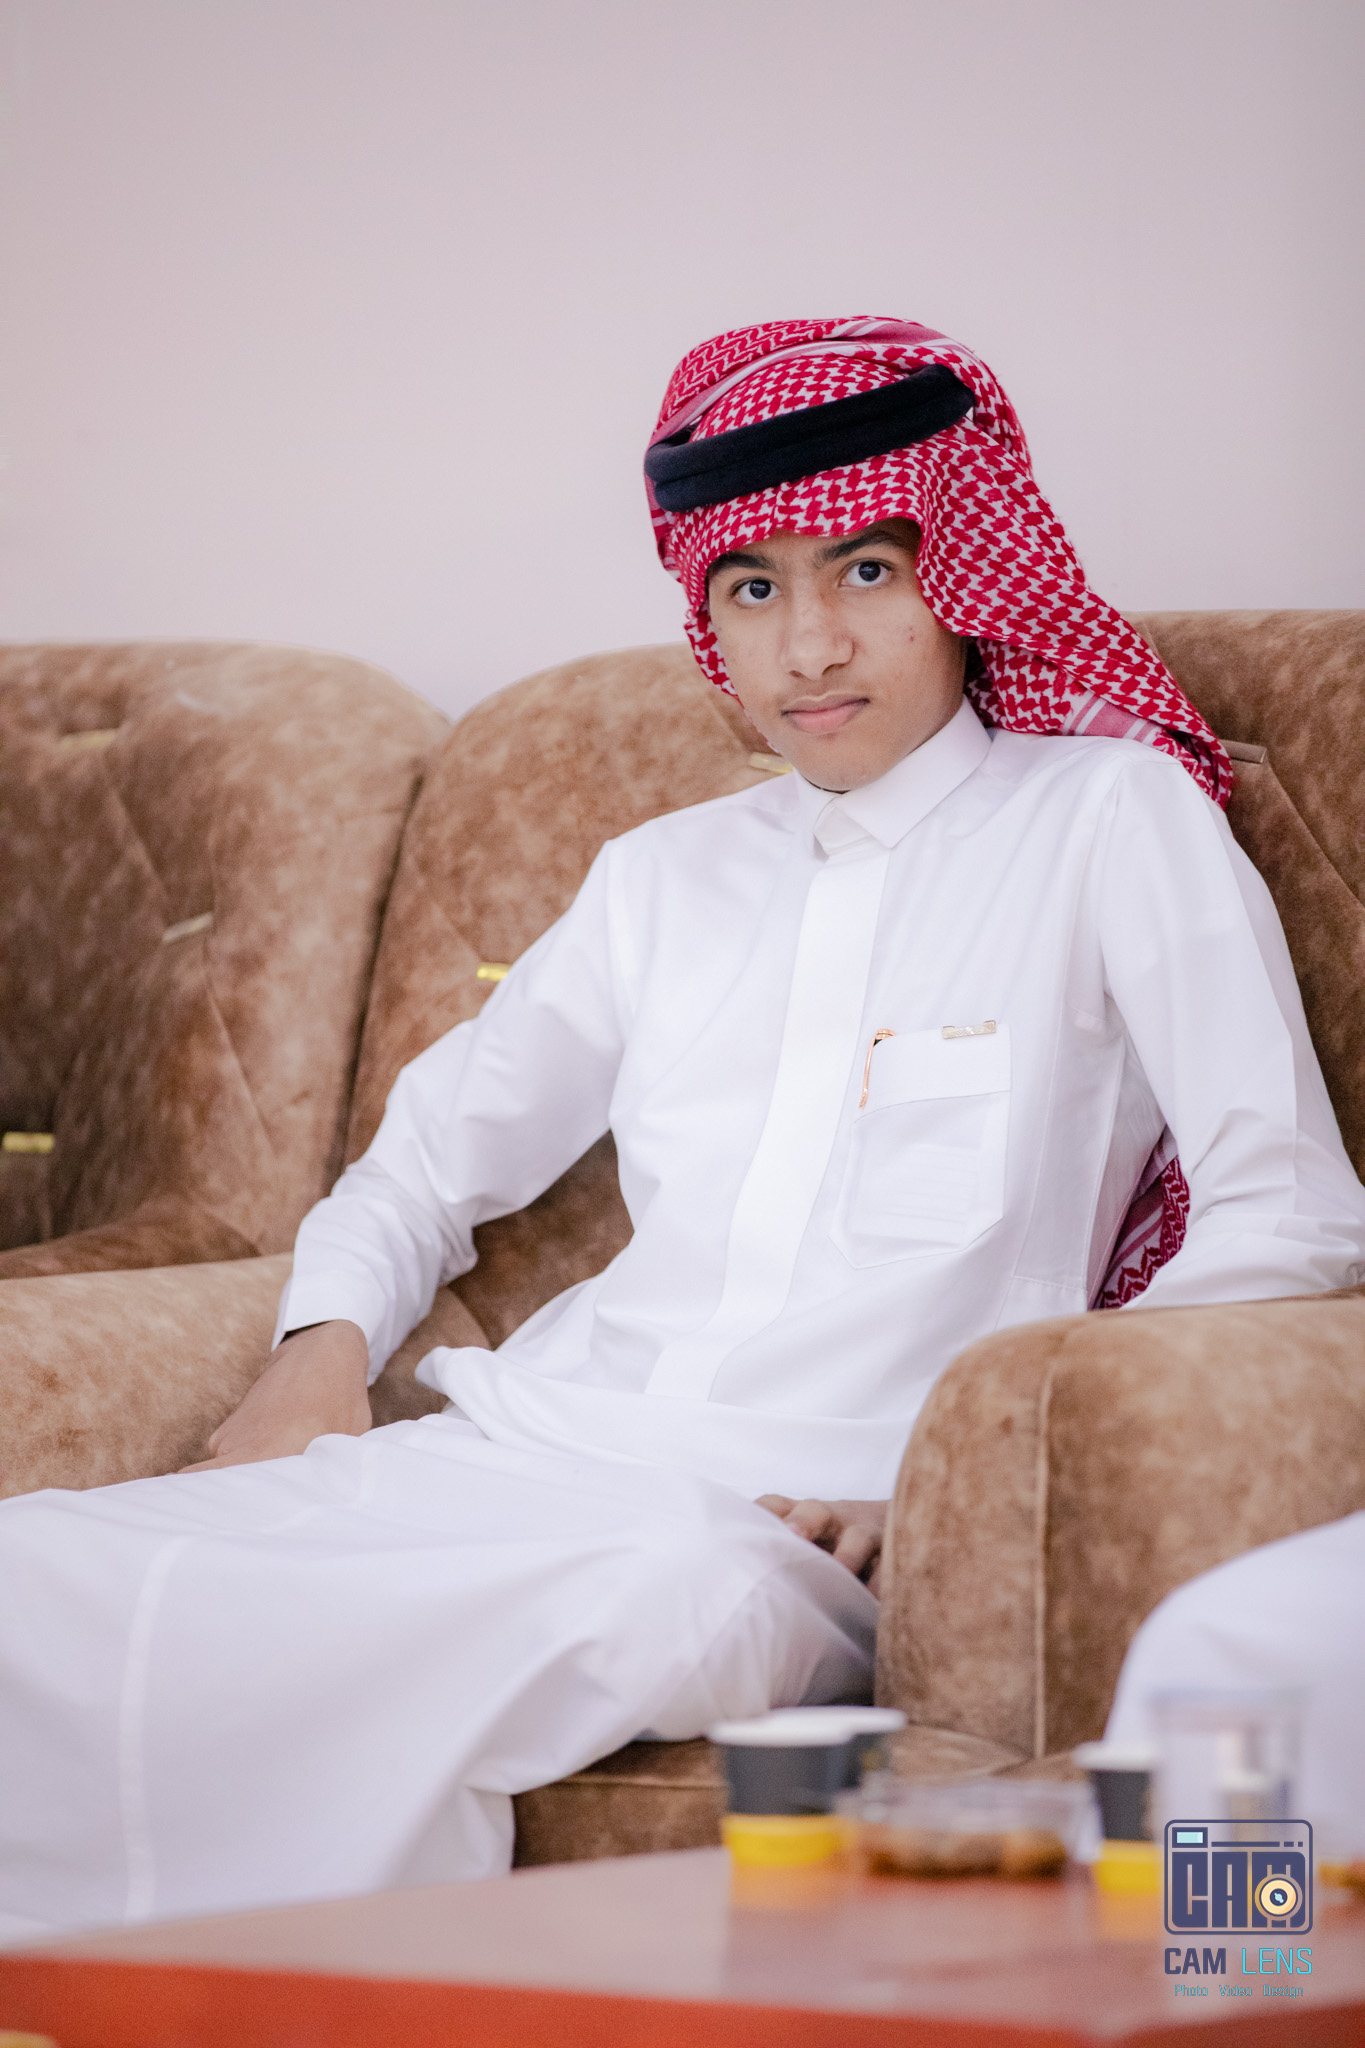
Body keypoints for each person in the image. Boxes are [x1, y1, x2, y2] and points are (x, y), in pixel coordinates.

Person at [2, 316, 1362, 1939]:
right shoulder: (661, 877)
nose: (810, 647)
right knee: (41, 1580)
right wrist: (317, 1348)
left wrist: (975, 1479)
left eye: (865, 569)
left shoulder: (1105, 816)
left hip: (767, 1528)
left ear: (961, 566)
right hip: (516, 1448)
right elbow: (429, 1155)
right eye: (753, 589)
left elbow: (1284, 1204)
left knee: (483, 1623)